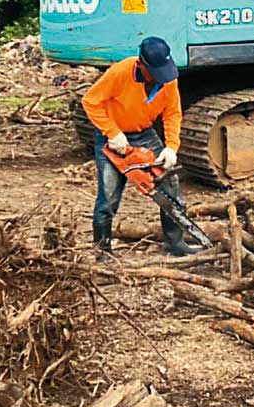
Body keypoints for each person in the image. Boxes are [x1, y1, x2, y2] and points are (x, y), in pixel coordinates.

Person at [81, 36, 201, 257]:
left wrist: (171, 147)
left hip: (144, 133)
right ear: (141, 65)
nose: (159, 77)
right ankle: (102, 251)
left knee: (170, 186)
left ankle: (176, 242)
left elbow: (172, 113)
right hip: (113, 137)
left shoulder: (168, 79)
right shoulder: (120, 72)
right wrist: (112, 132)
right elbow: (90, 101)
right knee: (108, 196)